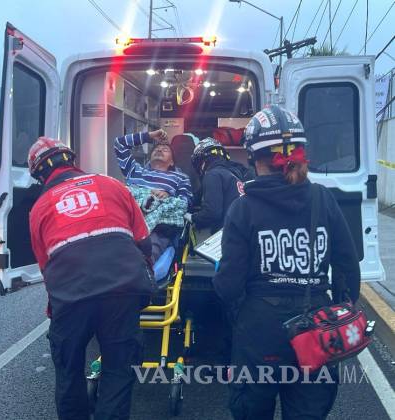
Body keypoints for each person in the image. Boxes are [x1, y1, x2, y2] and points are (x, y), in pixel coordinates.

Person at [213, 105, 361, 420]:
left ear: (253, 158)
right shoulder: (323, 198)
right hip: (315, 326)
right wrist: (339, 307)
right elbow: (347, 266)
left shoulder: (243, 208)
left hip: (260, 330)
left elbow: (228, 285)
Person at [27, 136, 153, 420]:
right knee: (118, 370)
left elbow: (47, 269)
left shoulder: (39, 208)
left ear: (40, 175)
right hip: (123, 288)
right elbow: (144, 242)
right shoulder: (112, 185)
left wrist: (57, 309)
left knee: (68, 373)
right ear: (72, 161)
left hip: (72, 296)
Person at [115, 129, 193, 261]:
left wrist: (168, 196)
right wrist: (149, 136)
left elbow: (186, 202)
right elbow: (120, 144)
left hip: (157, 227)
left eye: (165, 150)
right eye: (156, 149)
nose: (160, 150)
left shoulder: (180, 178)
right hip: (128, 222)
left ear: (172, 162)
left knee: (147, 254)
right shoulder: (135, 171)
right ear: (149, 158)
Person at [186, 137, 251, 234]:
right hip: (243, 230)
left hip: (227, 233)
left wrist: (193, 217)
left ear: (201, 161)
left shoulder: (213, 174)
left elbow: (212, 212)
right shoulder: (234, 175)